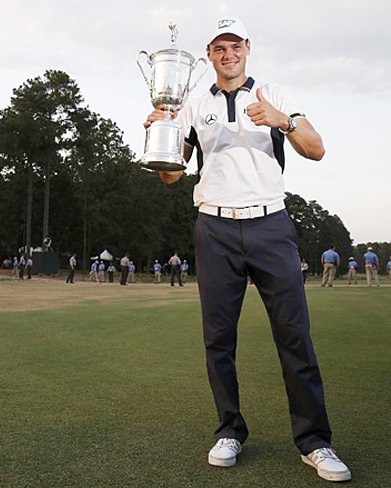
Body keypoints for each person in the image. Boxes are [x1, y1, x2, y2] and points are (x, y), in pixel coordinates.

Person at [144, 16, 350, 482]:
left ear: (248, 48)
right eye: (219, 47)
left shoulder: (274, 93)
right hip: (214, 227)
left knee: (294, 335)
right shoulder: (193, 106)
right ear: (209, 55)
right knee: (218, 339)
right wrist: (161, 134)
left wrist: (284, 121)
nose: (228, 54)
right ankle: (229, 430)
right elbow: (171, 176)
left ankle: (314, 441)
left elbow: (316, 149)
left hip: (270, 225)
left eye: (235, 45)